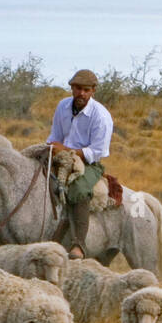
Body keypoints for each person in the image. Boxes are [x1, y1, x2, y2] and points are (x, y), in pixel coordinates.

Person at [47, 69, 113, 259]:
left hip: (89, 163)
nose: (81, 93)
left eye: (86, 89)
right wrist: (54, 149)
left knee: (79, 189)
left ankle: (79, 245)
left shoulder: (101, 116)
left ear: (93, 91)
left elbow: (97, 151)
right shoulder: (62, 107)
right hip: (59, 156)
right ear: (72, 88)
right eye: (77, 88)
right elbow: (55, 137)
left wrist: (68, 151)